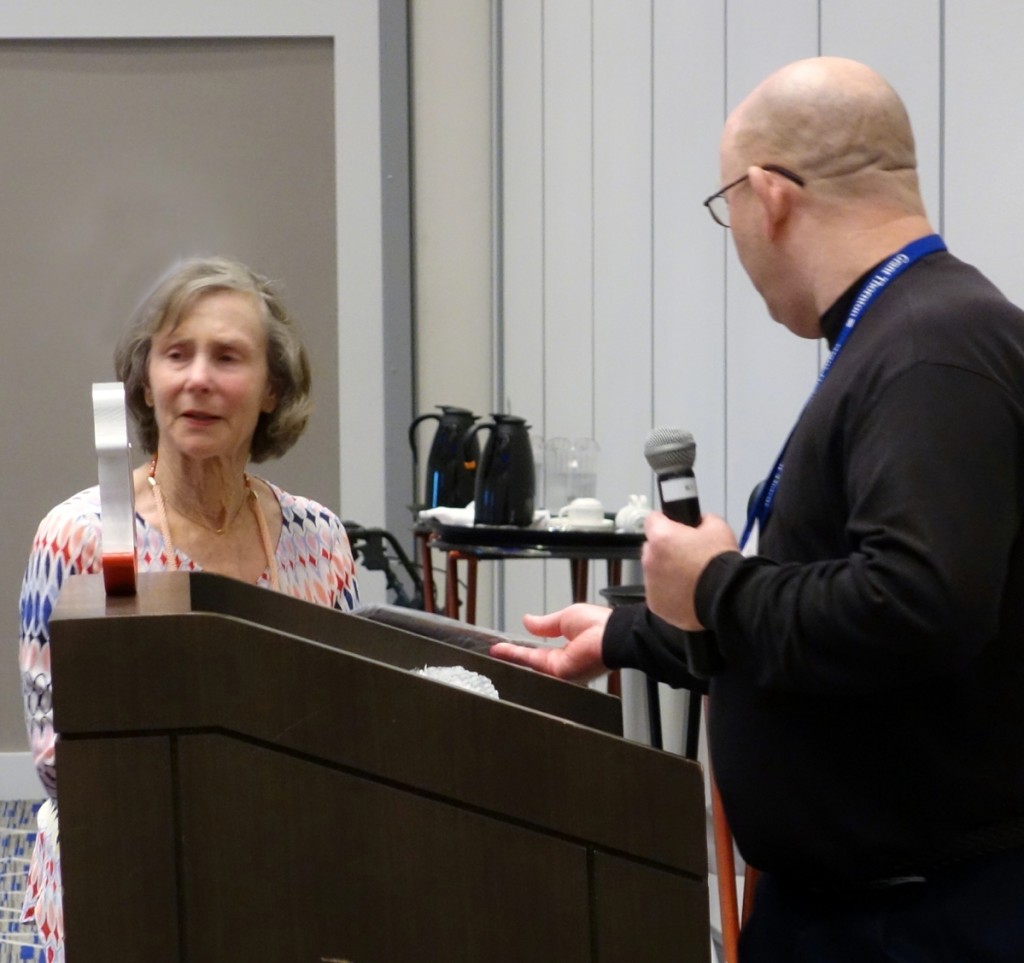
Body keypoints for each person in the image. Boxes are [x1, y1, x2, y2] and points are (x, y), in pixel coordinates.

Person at [491, 56, 1024, 961]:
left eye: (724, 206)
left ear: (769, 194)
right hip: (857, 908)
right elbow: (831, 597)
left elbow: (914, 604)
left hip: (914, 922)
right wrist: (635, 631)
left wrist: (716, 589)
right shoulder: (909, 332)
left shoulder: (933, 347)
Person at [18, 256, 361, 961]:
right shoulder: (78, 534)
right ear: (147, 381)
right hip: (122, 880)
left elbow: (346, 716)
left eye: (228, 356)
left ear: (272, 389)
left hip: (278, 881)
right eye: (177, 354)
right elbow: (59, 752)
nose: (198, 377)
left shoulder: (319, 538)